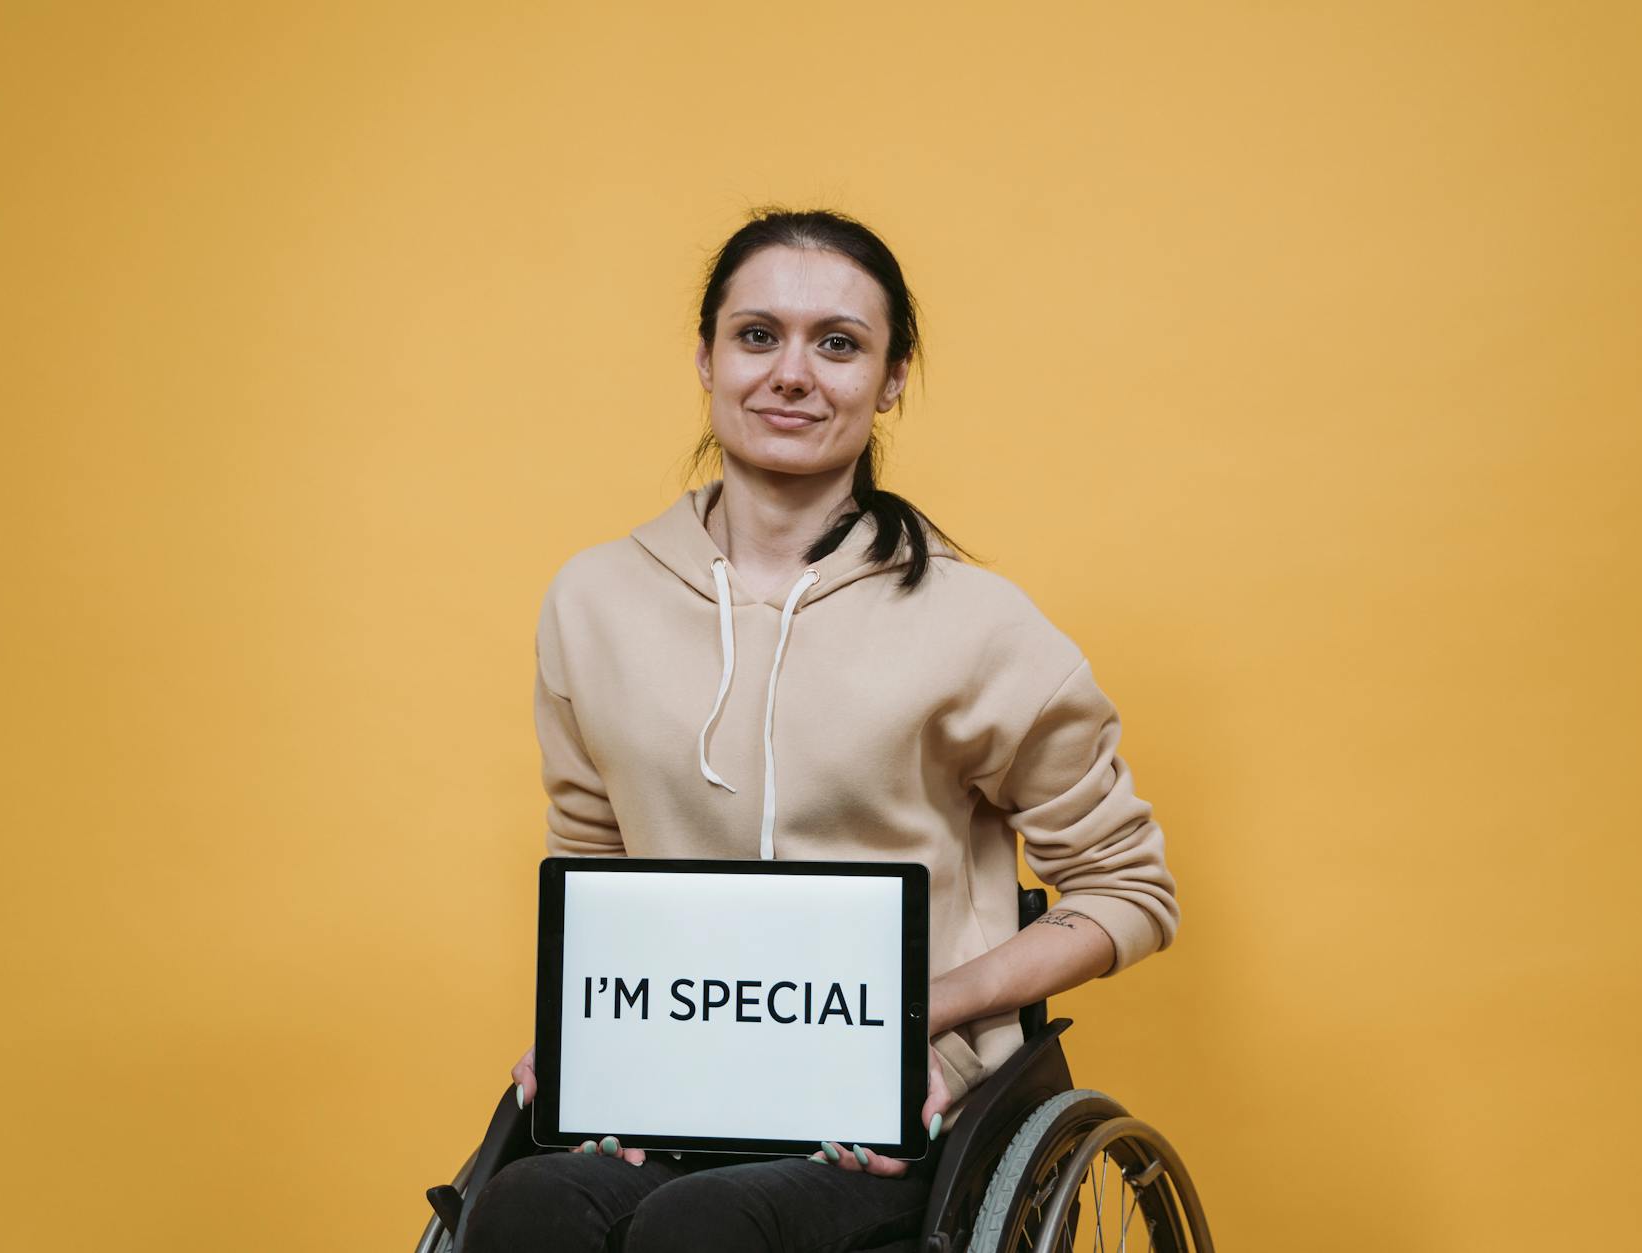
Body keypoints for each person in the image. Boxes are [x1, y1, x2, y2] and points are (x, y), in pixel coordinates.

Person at [460, 207, 1179, 1253]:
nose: (791, 372)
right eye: (758, 335)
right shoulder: (592, 600)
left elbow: (1129, 888)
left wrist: (915, 1014)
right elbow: (593, 851)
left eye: (837, 343)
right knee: (522, 1205)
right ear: (705, 356)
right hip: (674, 1080)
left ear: (889, 379)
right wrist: (584, 1030)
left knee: (702, 1227)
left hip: (898, 1103)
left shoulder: (973, 623)